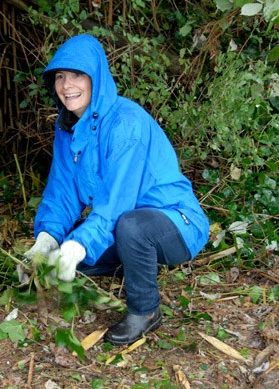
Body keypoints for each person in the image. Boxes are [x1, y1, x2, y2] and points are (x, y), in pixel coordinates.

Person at [23, 34, 210, 346]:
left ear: (96, 77)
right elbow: (62, 190)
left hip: (176, 224)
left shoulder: (126, 122)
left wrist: (78, 244)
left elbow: (118, 204)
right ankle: (121, 258)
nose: (67, 85)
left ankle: (146, 311)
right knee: (71, 251)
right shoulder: (67, 126)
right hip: (125, 219)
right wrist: (46, 242)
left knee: (129, 228)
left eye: (77, 75)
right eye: (60, 76)